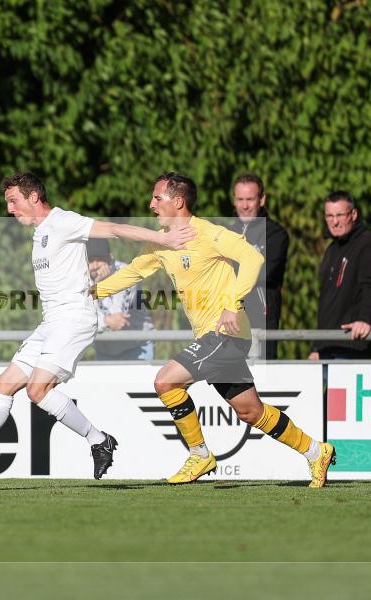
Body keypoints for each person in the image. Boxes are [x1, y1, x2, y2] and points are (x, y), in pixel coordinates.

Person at [0, 172, 194, 480]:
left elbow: (114, 229)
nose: (10, 210)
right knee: (3, 385)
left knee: (38, 390)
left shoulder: (63, 221)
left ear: (34, 197)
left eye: (14, 202)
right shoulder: (39, 232)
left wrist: (163, 237)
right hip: (51, 322)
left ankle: (98, 440)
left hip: (74, 318)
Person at [95, 173, 335, 486]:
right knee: (251, 412)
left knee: (166, 382)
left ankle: (199, 455)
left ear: (178, 202)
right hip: (213, 339)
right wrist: (89, 293)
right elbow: (131, 274)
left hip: (226, 335)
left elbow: (252, 256)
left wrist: (232, 302)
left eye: (157, 198)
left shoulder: (207, 233)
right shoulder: (163, 242)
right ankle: (316, 451)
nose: (151, 204)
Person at [308, 191, 371, 360]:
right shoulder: (331, 250)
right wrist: (317, 346)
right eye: (329, 216)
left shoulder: (369, 244)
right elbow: (327, 304)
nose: (334, 222)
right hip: (328, 347)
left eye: (340, 215)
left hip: (353, 346)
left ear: (354, 214)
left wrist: (365, 319)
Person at [228, 173, 289, 359]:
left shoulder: (275, 234)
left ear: (261, 200)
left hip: (259, 319)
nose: (244, 206)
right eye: (240, 199)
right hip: (227, 320)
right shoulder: (227, 233)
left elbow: (263, 272)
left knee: (260, 380)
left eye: (250, 199)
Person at [87, 238, 155, 361]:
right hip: (105, 351)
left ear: (110, 257)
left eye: (100, 259)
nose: (95, 265)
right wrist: (106, 322)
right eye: (91, 260)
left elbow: (119, 318)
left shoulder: (127, 273)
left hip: (138, 348)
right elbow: (82, 317)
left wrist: (102, 285)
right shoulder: (82, 279)